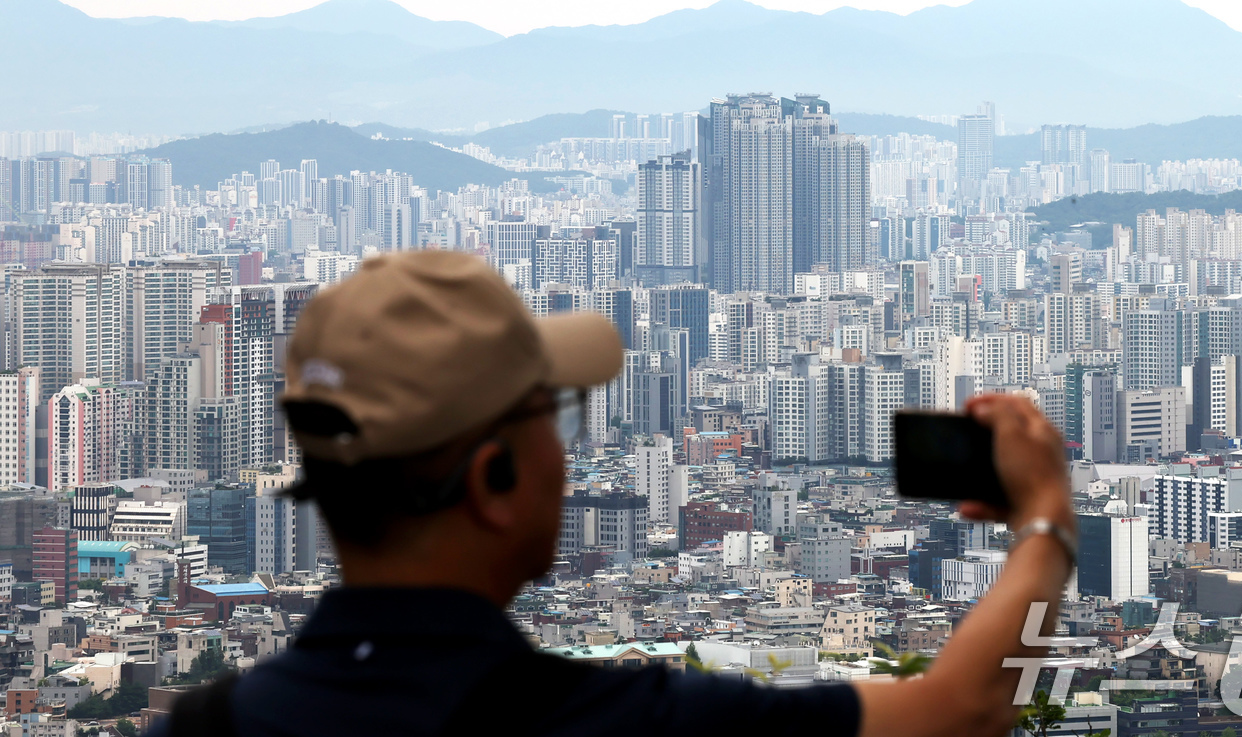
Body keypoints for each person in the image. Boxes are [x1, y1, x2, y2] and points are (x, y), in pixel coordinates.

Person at [153, 251, 1076, 737]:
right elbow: (966, 712)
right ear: (494, 480)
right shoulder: (615, 722)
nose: (568, 455)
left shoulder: (202, 729)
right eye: (553, 418)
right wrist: (1045, 525)